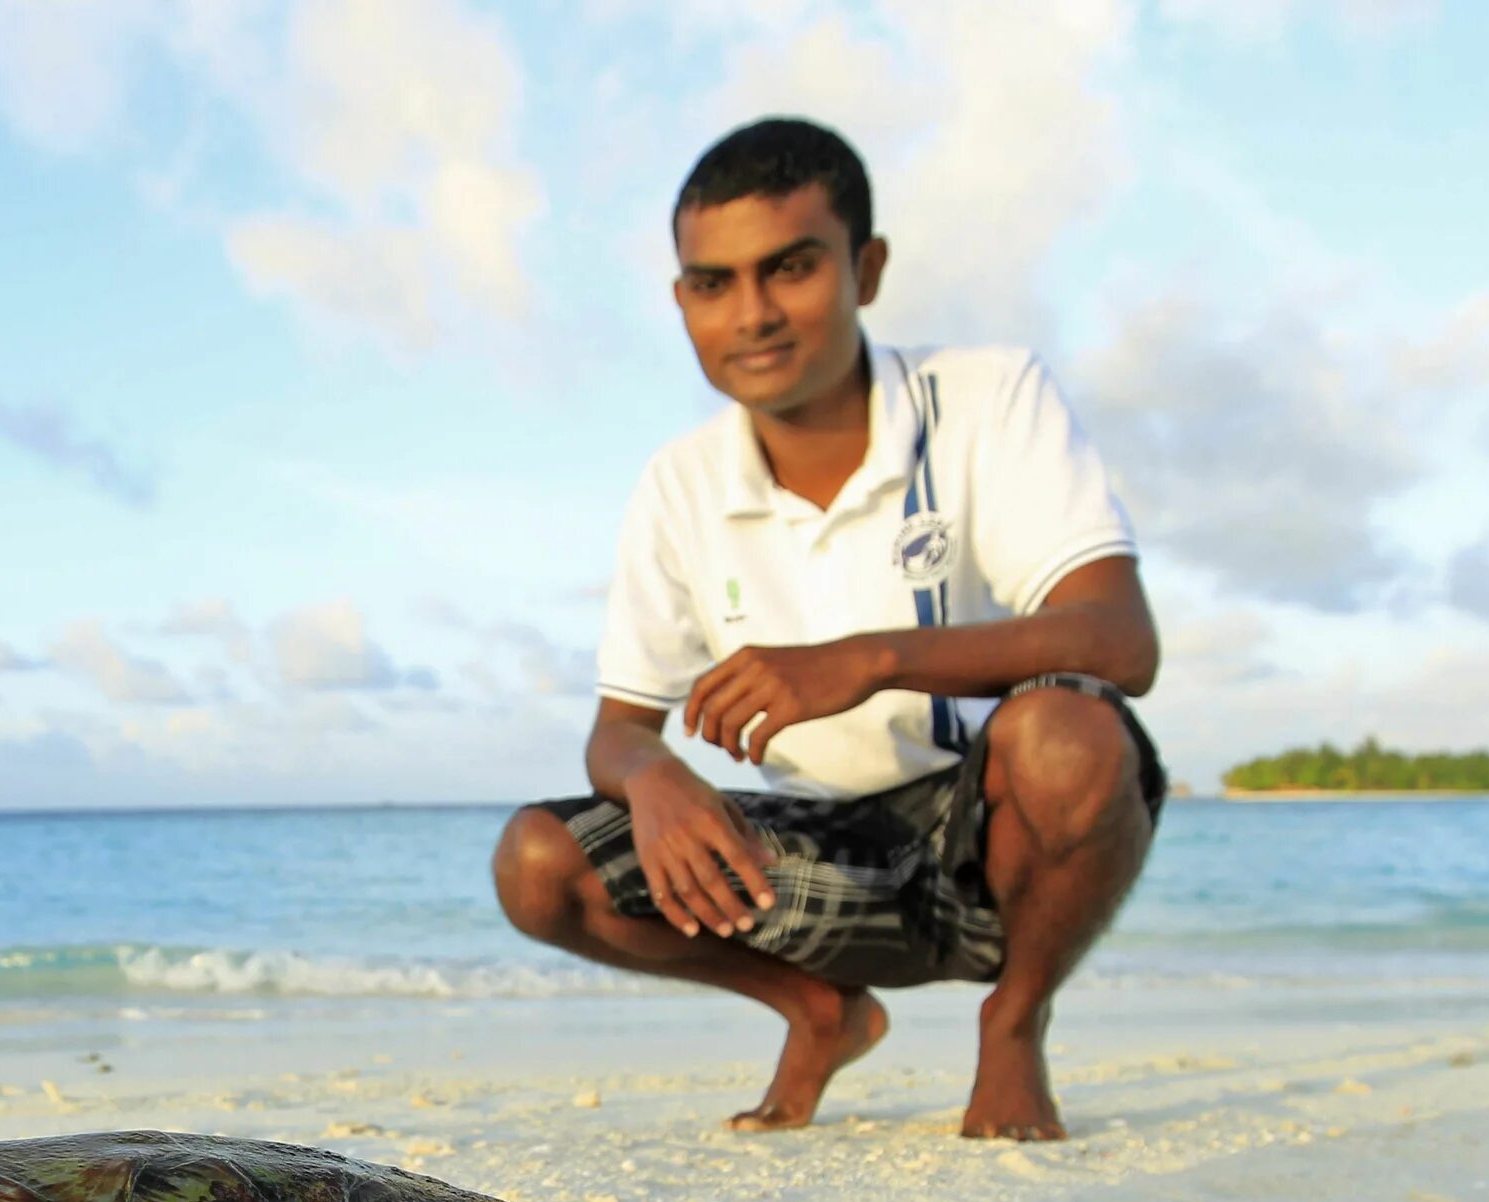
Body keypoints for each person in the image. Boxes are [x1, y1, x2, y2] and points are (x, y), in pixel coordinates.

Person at [494, 117, 1164, 1140]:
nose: (752, 314)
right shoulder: (680, 483)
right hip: (817, 863)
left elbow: (1120, 640)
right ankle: (819, 1009)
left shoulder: (988, 397)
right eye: (713, 283)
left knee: (1069, 733)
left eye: (791, 268)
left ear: (867, 268)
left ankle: (1015, 1023)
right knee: (539, 862)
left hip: (988, 841)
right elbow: (617, 728)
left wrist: (871, 657)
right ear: (682, 300)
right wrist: (654, 776)